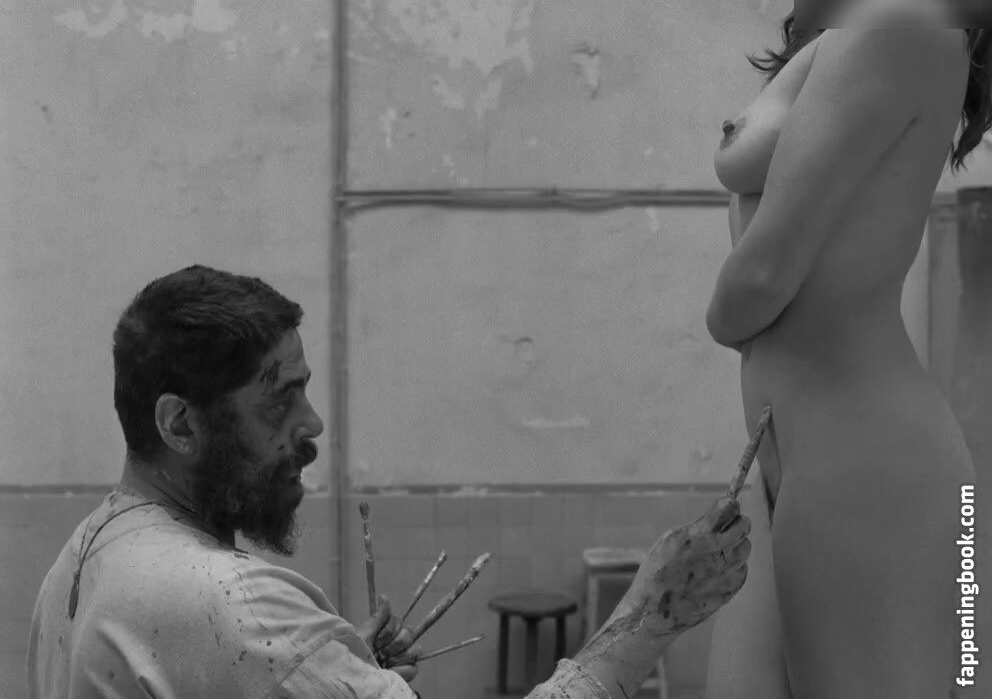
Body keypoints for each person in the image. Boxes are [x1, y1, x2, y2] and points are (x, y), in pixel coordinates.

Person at [27, 265, 752, 699]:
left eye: (306, 390)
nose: (311, 425)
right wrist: (648, 619)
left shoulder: (79, 563)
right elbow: (235, 641)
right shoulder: (233, 604)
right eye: (279, 398)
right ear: (180, 425)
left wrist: (335, 672)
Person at [706, 0, 989, 698]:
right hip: (794, 454)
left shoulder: (902, 22)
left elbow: (765, 274)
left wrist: (723, 324)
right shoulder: (854, 36)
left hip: (862, 457)